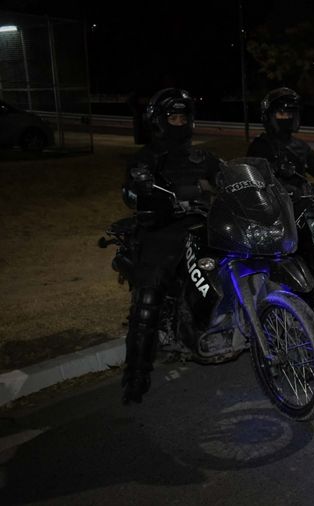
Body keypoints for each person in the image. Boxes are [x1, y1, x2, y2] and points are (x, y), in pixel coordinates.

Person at [120, 88, 222, 404]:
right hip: (162, 230)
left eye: (183, 117)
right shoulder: (145, 159)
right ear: (159, 122)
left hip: (202, 226)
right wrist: (140, 188)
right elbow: (129, 196)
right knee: (149, 293)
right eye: (173, 117)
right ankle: (136, 375)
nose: (179, 122)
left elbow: (228, 178)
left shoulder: (203, 157)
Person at [246, 87, 314, 200]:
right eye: (281, 113)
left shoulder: (300, 146)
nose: (287, 118)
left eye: (290, 114)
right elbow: (253, 181)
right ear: (269, 116)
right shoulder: (260, 146)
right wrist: (288, 188)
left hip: (303, 206)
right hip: (275, 206)